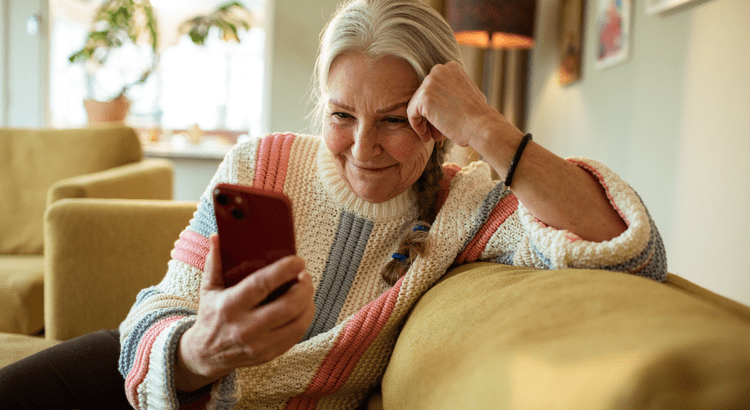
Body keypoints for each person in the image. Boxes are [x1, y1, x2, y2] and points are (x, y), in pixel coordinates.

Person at [0, 0, 666, 408]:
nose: (363, 148)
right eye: (343, 115)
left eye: (396, 120)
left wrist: (487, 129)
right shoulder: (258, 162)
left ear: (438, 118)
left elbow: (633, 255)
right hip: (146, 377)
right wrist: (202, 348)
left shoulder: (470, 205)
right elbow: (161, 305)